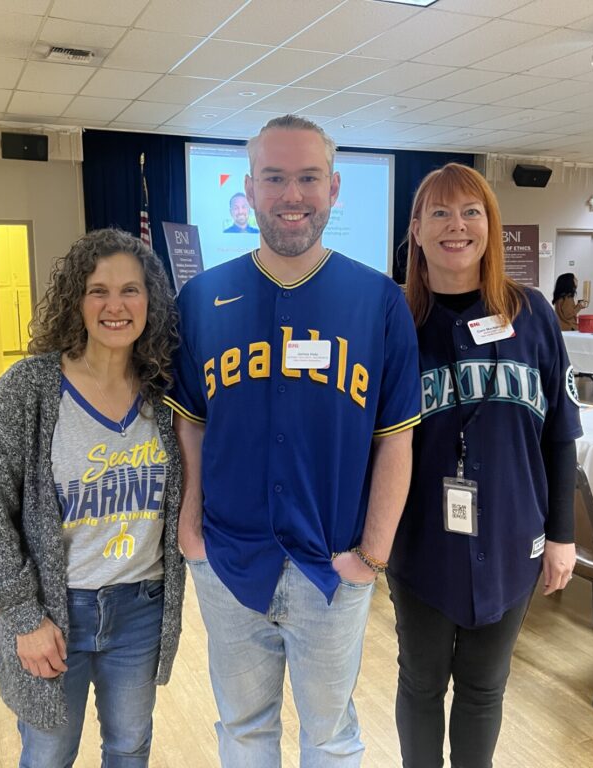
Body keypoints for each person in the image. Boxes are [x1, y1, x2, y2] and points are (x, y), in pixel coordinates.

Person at [165, 114, 420, 767]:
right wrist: (190, 529)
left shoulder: (379, 302)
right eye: (274, 178)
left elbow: (396, 439)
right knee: (244, 728)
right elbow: (189, 422)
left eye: (308, 177)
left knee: (330, 735)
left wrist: (373, 556)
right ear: (248, 189)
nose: (292, 195)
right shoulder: (202, 297)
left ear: (334, 188)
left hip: (331, 567)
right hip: (227, 557)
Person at [0, 228, 184, 768]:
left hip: (141, 607)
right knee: (49, 754)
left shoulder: (164, 391)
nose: (115, 305)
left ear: (149, 301)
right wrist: (25, 619)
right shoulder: (29, 388)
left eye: (131, 290)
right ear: (75, 300)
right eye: (97, 290)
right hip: (57, 614)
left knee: (129, 747)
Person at [388, 163, 583, 768]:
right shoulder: (393, 322)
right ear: (416, 230)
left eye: (472, 212)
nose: (457, 226)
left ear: (491, 227)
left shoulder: (533, 316)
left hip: (511, 540)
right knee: (422, 683)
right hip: (419, 542)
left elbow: (560, 436)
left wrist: (563, 536)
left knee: (484, 686)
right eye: (440, 213)